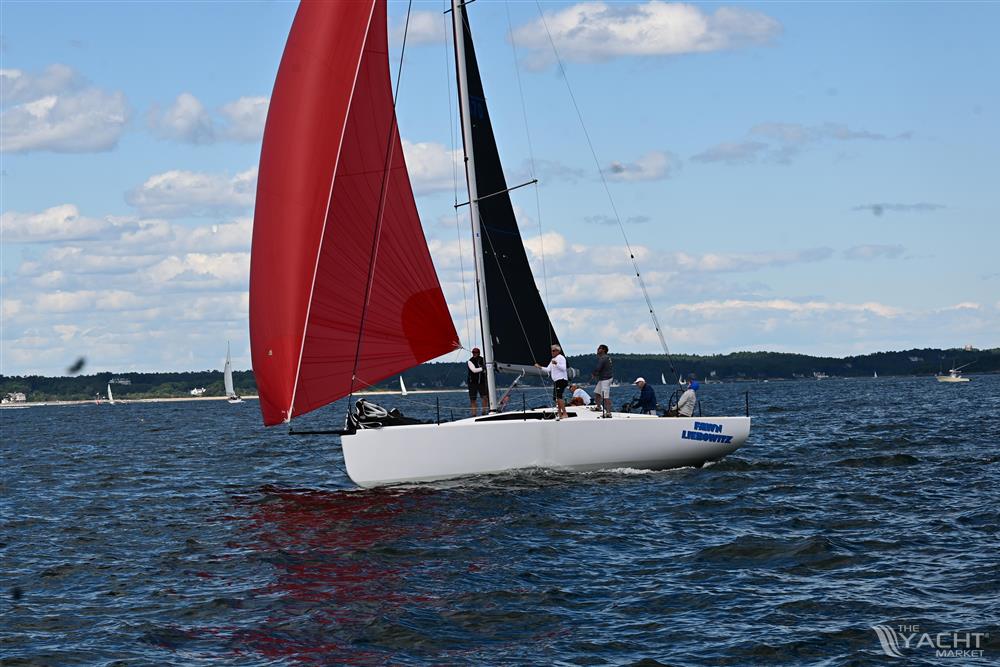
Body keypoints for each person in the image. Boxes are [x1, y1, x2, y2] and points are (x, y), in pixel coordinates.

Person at [535, 344, 569, 419]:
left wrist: (556, 364)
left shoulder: (561, 357)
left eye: (553, 351)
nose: (552, 352)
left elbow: (563, 368)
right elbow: (548, 369)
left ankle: (565, 414)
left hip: (561, 380)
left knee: (559, 397)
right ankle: (560, 414)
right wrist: (539, 367)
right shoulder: (553, 359)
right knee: (555, 398)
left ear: (558, 351)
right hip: (556, 381)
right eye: (551, 351)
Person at [590, 344, 613, 417]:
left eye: (599, 348)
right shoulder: (606, 357)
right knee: (597, 392)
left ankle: (609, 412)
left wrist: (594, 374)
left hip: (605, 379)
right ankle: (598, 406)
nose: (597, 349)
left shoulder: (603, 358)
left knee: (605, 396)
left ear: (603, 350)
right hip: (603, 379)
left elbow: (598, 368)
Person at [467, 347, 488, 416]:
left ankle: (484, 412)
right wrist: (483, 368)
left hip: (481, 382)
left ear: (479, 353)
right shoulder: (470, 361)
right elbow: (474, 370)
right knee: (473, 399)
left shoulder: (483, 360)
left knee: (485, 397)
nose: (474, 354)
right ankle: (474, 415)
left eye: (476, 352)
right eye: (473, 352)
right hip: (472, 383)